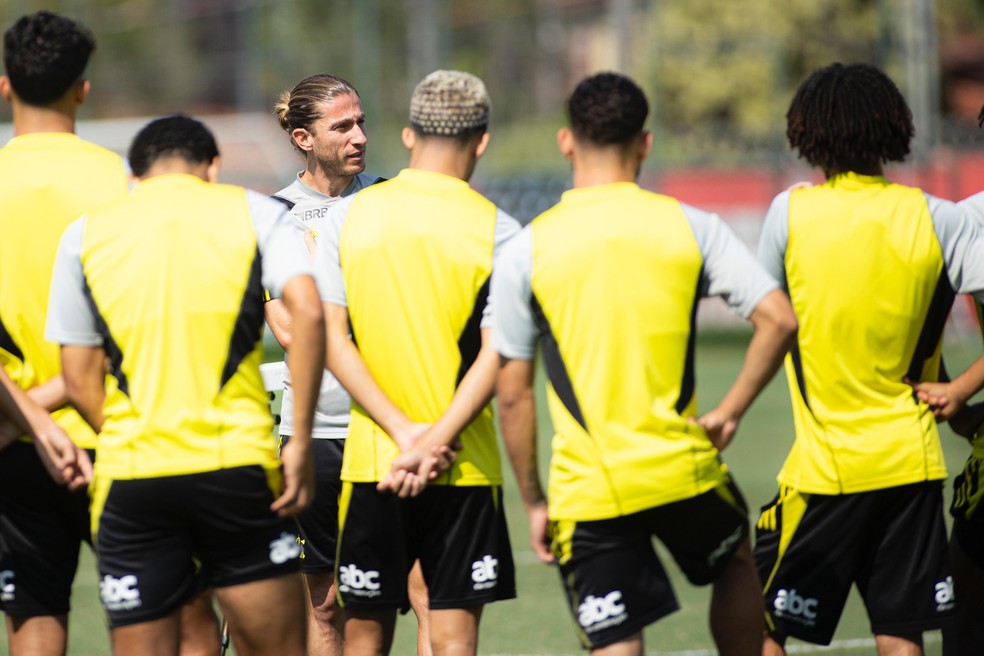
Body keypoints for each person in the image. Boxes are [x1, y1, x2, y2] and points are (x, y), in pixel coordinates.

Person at [491, 71, 797, 656]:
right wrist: (730, 411)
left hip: (589, 487)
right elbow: (779, 319)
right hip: (680, 467)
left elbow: (512, 394)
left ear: (565, 141)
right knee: (735, 562)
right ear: (646, 143)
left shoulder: (526, 248)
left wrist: (533, 500)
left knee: (616, 639)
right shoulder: (693, 225)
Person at [44, 114, 325, 656]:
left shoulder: (84, 232)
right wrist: (303, 441)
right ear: (212, 167)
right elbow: (308, 315)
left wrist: (138, 433)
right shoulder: (257, 211)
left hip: (133, 474)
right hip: (235, 467)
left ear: (135, 175)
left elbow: (78, 380)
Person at [753, 62, 984, 656]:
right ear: (895, 129)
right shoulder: (942, 218)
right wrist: (958, 392)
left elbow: (769, 317)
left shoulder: (790, 213)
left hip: (825, 469)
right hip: (912, 467)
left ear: (806, 131)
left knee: (759, 622)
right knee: (900, 632)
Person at [313, 69, 519, 656]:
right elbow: (496, 355)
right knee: (452, 640)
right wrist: (435, 441)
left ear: (408, 136)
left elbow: (331, 340)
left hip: (376, 461)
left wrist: (404, 435)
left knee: (365, 639)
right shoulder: (502, 232)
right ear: (481, 140)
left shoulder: (346, 218)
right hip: (463, 465)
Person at [267, 73, 431, 656]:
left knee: (423, 589)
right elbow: (289, 331)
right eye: (342, 126)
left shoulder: (389, 202)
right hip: (320, 433)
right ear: (304, 138)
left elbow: (420, 309)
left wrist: (326, 290)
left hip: (395, 424)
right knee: (327, 602)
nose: (359, 136)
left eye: (361, 122)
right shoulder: (276, 216)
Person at [0, 11, 130, 656]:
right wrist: (59, 402)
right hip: (114, 429)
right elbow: (136, 323)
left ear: (4, 86)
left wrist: (26, 413)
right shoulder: (123, 184)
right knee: (156, 624)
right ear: (82, 88)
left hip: (9, 436)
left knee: (33, 618)